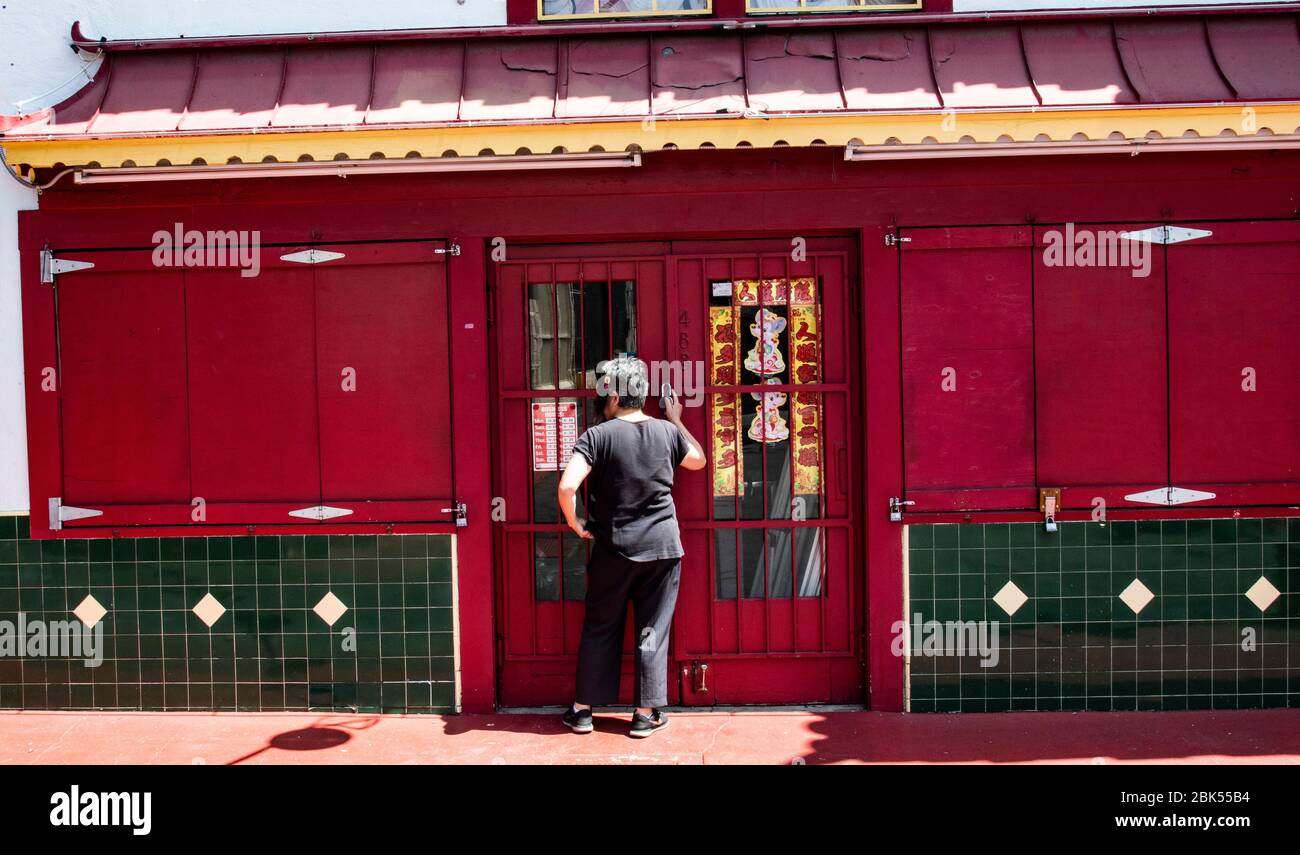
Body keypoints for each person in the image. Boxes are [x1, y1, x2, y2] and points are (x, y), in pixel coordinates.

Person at [557, 356, 706, 737]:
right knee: (652, 629)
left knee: (600, 626)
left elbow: (567, 486)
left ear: (614, 396)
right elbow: (699, 462)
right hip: (662, 548)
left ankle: (584, 711)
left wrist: (576, 524)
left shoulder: (597, 436)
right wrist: (675, 419)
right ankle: (644, 715)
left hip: (613, 547)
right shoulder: (666, 433)